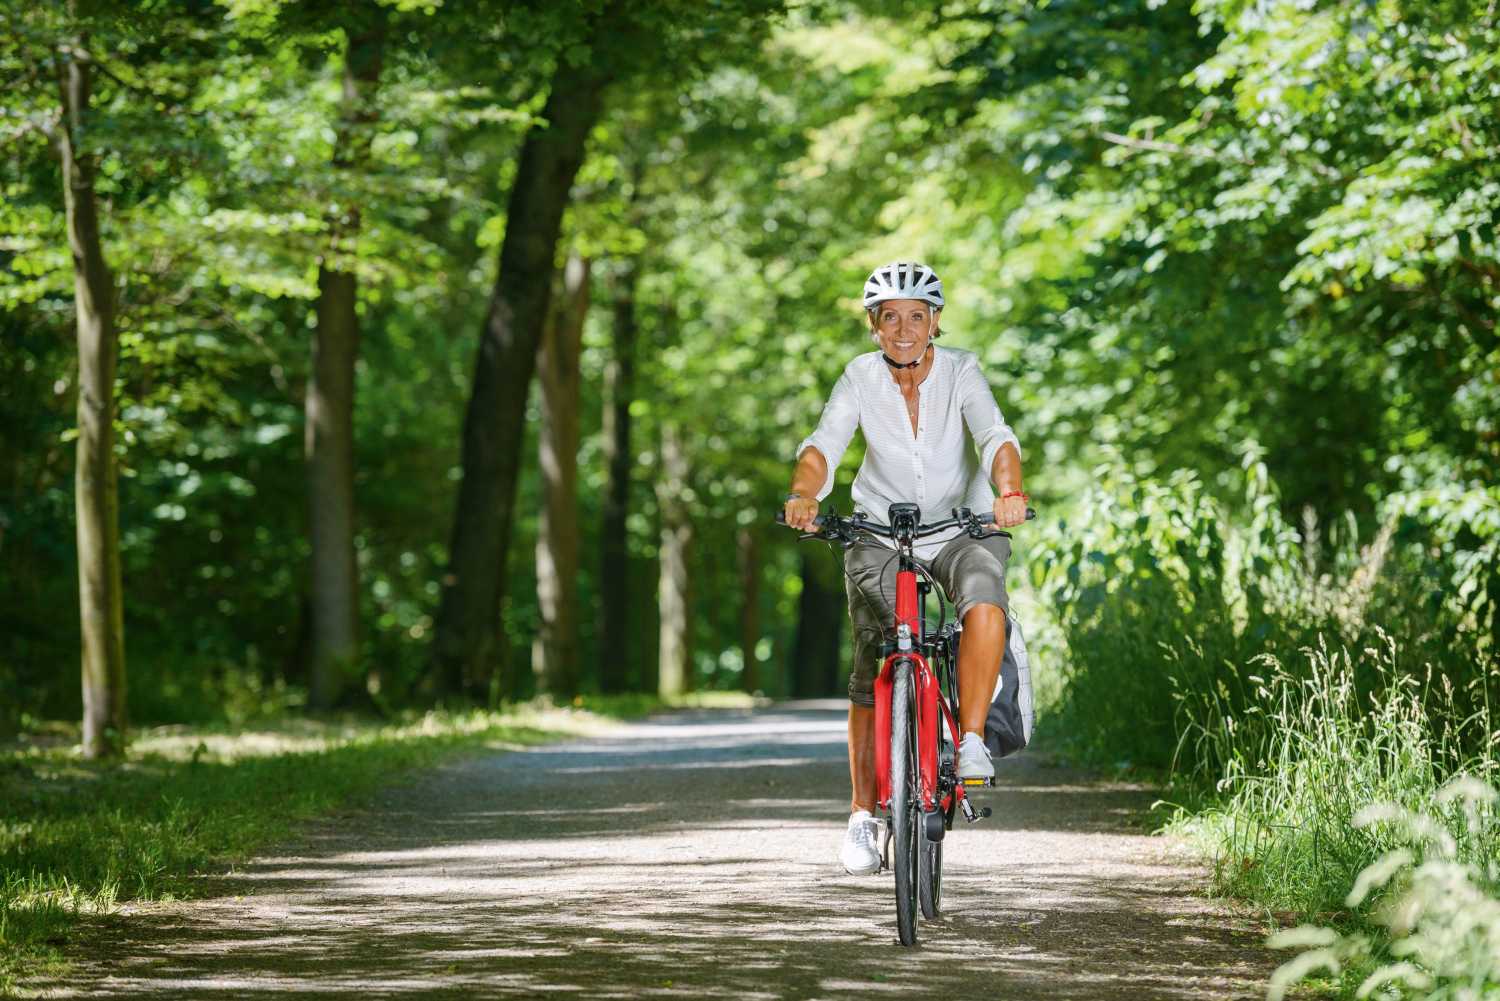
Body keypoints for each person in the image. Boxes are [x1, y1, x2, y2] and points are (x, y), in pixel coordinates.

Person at [782, 261, 1026, 876]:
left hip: (961, 526)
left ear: (935, 322)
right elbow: (823, 446)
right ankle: (863, 816)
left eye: (916, 316)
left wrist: (1009, 491)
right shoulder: (859, 378)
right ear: (874, 326)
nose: (904, 328)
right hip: (877, 534)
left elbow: (995, 435)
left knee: (984, 601)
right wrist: (804, 494)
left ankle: (969, 741)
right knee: (872, 664)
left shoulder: (962, 370)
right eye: (890, 317)